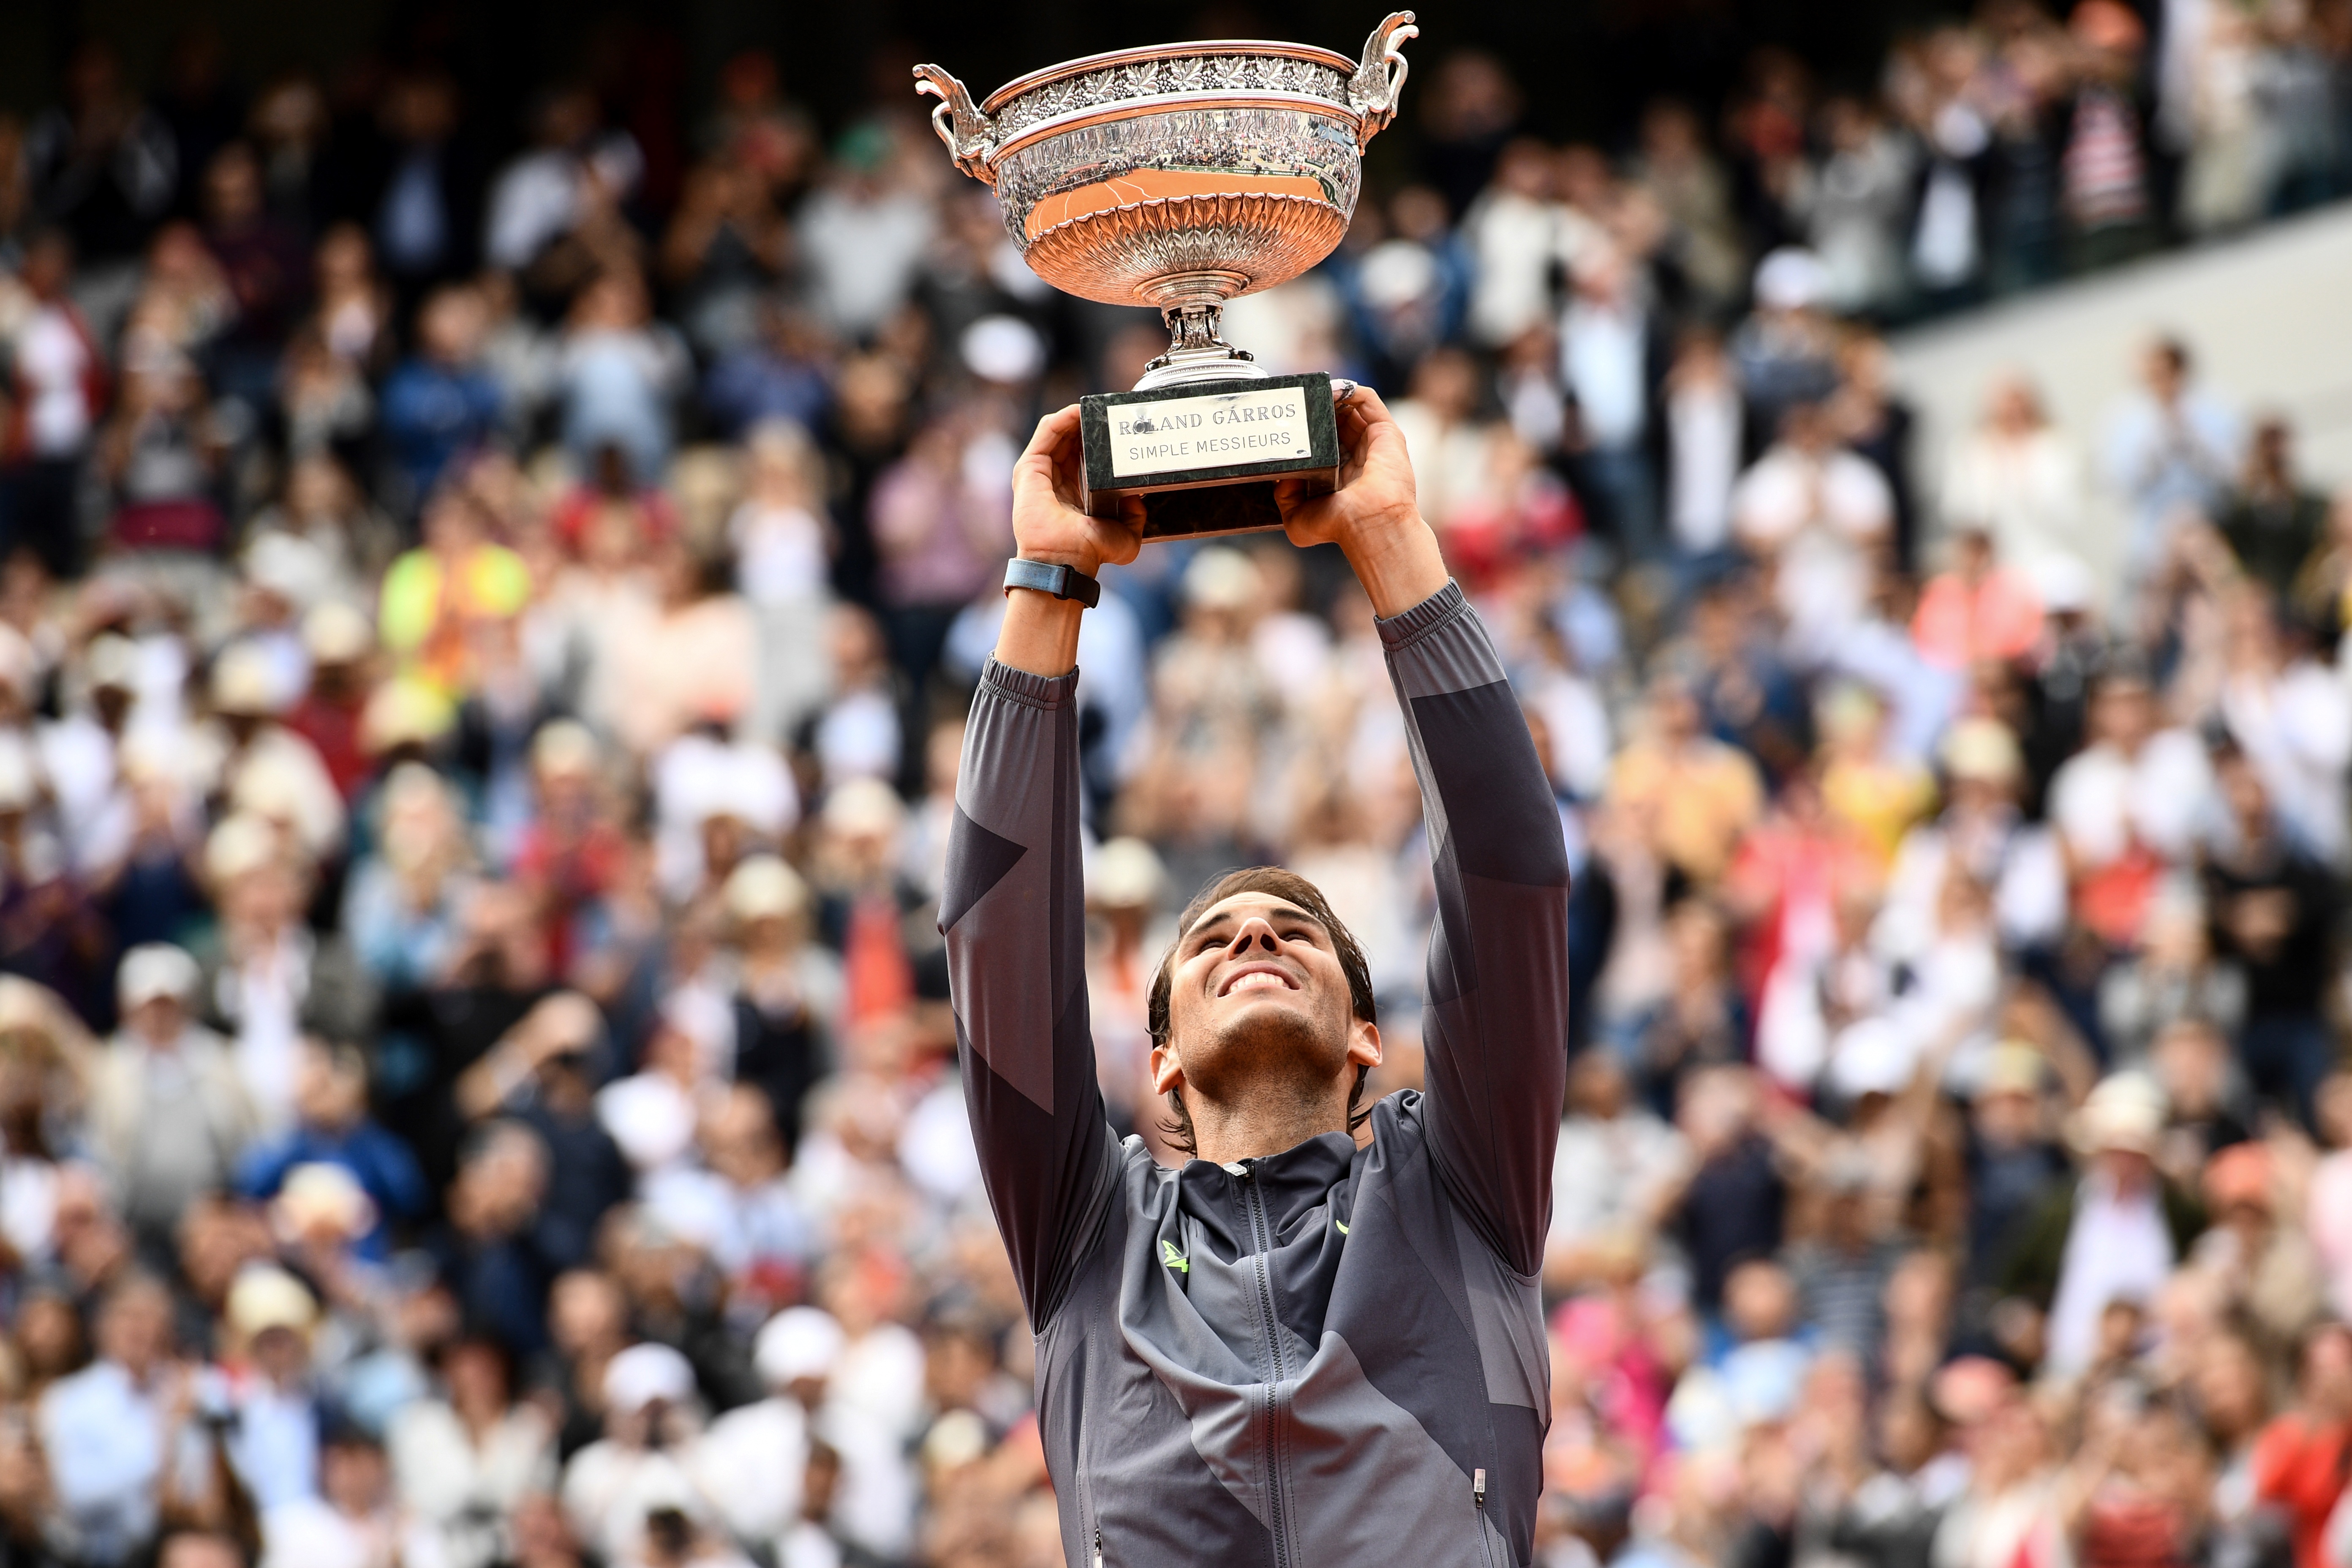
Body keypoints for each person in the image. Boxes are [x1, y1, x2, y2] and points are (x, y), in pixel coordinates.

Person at [941, 387, 1571, 1564]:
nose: (1254, 938)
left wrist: (1390, 542)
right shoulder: (1087, 1234)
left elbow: (1510, 875)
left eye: (1295, 930)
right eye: (1214, 939)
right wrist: (1045, 584)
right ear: (1164, 1053)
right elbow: (996, 940)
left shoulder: (1465, 1192)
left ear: (1368, 1039)